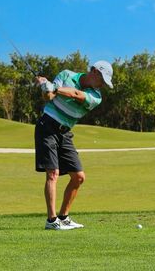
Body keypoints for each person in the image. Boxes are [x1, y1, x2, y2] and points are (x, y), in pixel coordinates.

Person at [35, 60, 113, 230]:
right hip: (47, 126)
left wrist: (53, 87)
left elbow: (76, 94)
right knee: (52, 174)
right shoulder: (66, 75)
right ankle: (52, 221)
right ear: (93, 71)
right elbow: (49, 97)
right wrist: (45, 87)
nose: (103, 85)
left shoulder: (96, 96)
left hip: (65, 133)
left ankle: (64, 217)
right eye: (102, 80)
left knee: (78, 177)